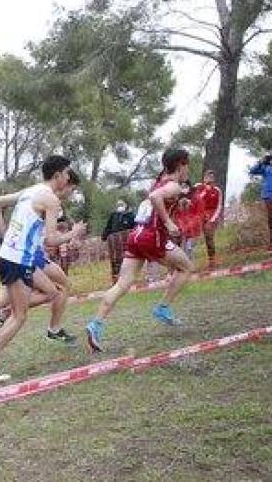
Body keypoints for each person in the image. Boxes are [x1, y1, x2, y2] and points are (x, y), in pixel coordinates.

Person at [0, 157, 86, 381]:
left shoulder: (30, 190)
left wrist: (5, 236)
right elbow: (51, 240)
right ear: (58, 175)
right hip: (19, 259)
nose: (69, 178)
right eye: (67, 173)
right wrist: (74, 233)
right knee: (20, 316)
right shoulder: (51, 199)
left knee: (33, 304)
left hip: (9, 256)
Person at [86, 148, 196, 352]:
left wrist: (179, 203)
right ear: (181, 164)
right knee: (186, 267)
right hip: (152, 238)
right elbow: (155, 198)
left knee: (122, 284)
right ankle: (163, 308)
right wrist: (169, 222)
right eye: (187, 164)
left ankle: (95, 325)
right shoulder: (172, 184)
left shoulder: (161, 180)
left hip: (135, 236)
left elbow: (158, 198)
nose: (188, 169)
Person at [189, 170, 223, 268]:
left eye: (212, 177)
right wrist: (205, 190)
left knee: (209, 237)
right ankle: (189, 261)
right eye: (208, 177)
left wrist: (213, 218)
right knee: (191, 238)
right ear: (204, 178)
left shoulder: (217, 190)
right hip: (198, 215)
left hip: (210, 216)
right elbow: (194, 199)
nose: (210, 179)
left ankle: (212, 260)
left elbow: (219, 205)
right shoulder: (198, 186)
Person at [101, 198, 136, 284]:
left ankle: (127, 280)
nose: (119, 206)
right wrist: (104, 236)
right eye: (118, 204)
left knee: (127, 261)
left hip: (126, 243)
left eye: (121, 204)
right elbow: (108, 227)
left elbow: (135, 228)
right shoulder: (113, 215)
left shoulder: (131, 216)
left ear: (126, 205)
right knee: (116, 262)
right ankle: (116, 281)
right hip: (115, 244)